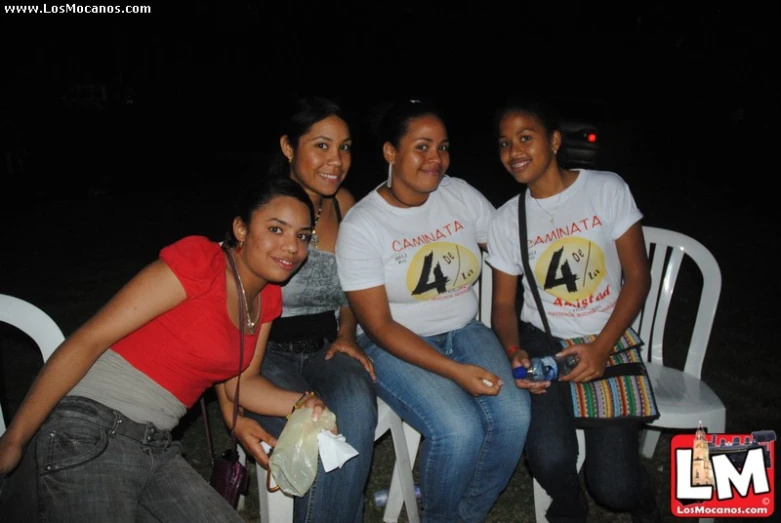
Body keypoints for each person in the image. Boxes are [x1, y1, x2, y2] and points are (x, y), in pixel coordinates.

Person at [0, 177, 333, 523]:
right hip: (90, 427)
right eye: (277, 229)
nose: (292, 247)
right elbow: (90, 339)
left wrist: (301, 403)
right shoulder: (200, 262)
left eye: (302, 236)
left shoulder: (268, 298)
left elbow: (242, 383)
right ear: (241, 228)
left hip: (153, 445)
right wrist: (15, 439)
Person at [335, 99, 531, 523]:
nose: (436, 159)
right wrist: (454, 370)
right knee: (459, 430)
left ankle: (460, 514)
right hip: (395, 342)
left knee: (514, 415)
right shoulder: (364, 225)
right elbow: (380, 324)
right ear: (391, 152)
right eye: (422, 147)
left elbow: (509, 245)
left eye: (442, 147)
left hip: (465, 329)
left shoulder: (458, 195)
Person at [486, 95, 661, 523]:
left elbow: (638, 277)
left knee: (615, 487)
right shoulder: (509, 219)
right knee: (548, 456)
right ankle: (568, 505)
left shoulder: (605, 189)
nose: (515, 152)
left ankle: (644, 498)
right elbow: (504, 304)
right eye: (505, 143)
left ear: (555, 140)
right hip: (543, 341)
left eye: (526, 138)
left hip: (607, 337)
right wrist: (513, 351)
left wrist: (602, 348)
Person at [218, 96, 377, 523]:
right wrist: (225, 400)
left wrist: (346, 334)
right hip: (265, 355)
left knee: (357, 405)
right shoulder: (266, 207)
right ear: (289, 147)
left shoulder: (344, 203)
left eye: (344, 147)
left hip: (329, 346)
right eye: (321, 145)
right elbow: (227, 308)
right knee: (316, 432)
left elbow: (355, 286)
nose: (336, 160)